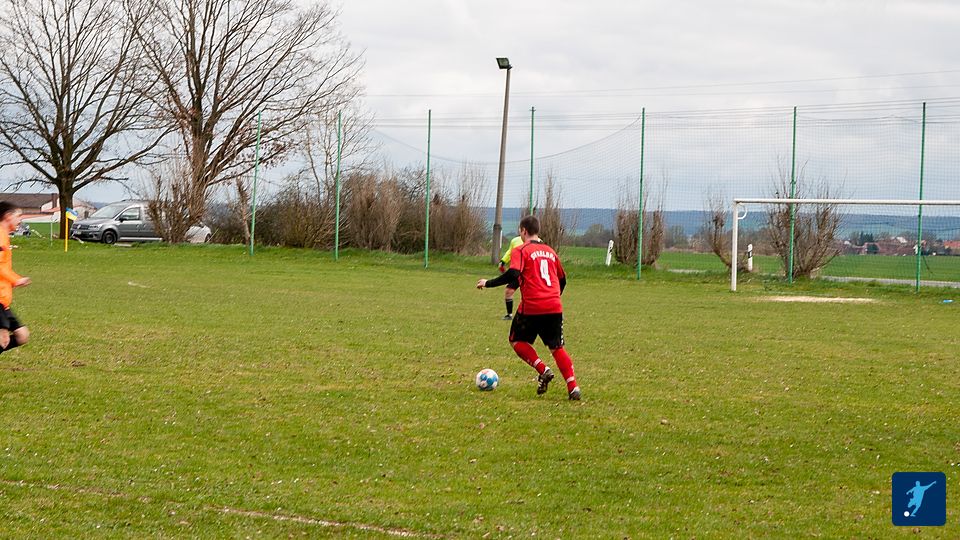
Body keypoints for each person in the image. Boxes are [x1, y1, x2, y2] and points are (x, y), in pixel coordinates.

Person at [476, 215, 581, 400]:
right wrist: (553, 297)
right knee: (557, 348)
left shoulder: (521, 250)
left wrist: (488, 283)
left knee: (516, 340)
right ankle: (573, 388)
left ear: (523, 231)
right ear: (537, 231)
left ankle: (543, 369)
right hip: (554, 305)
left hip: (532, 306)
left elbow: (513, 273)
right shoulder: (551, 251)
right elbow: (563, 279)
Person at [0, 202, 31, 354]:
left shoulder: (4, 236)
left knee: (22, 335)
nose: (20, 220)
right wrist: (15, 280)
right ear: (7, 216)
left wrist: (13, 280)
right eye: (18, 216)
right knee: (3, 339)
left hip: (3, 300)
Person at [497, 235, 524, 320]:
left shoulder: (538, 241)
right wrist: (503, 261)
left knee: (534, 294)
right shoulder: (515, 240)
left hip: (530, 273)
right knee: (509, 291)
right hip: (517, 272)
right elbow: (510, 252)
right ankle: (509, 315)